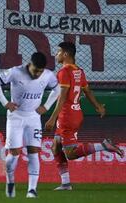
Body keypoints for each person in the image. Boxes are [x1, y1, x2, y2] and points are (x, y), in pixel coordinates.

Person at [45, 42, 124, 191]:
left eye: (58, 52)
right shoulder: (79, 71)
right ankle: (66, 184)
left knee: (71, 154)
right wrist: (98, 106)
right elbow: (87, 91)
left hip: (66, 117)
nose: (56, 55)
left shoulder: (64, 72)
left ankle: (103, 146)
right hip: (75, 113)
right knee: (56, 148)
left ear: (66, 54)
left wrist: (52, 118)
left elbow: (62, 98)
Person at [0, 52, 60, 198]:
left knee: (34, 152)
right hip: (16, 117)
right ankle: (10, 181)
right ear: (29, 64)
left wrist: (46, 106)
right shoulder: (16, 72)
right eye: (35, 70)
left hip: (33, 118)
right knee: (14, 153)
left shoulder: (47, 75)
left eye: (40, 71)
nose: (38, 74)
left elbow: (58, 89)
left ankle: (32, 190)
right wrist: (5, 102)